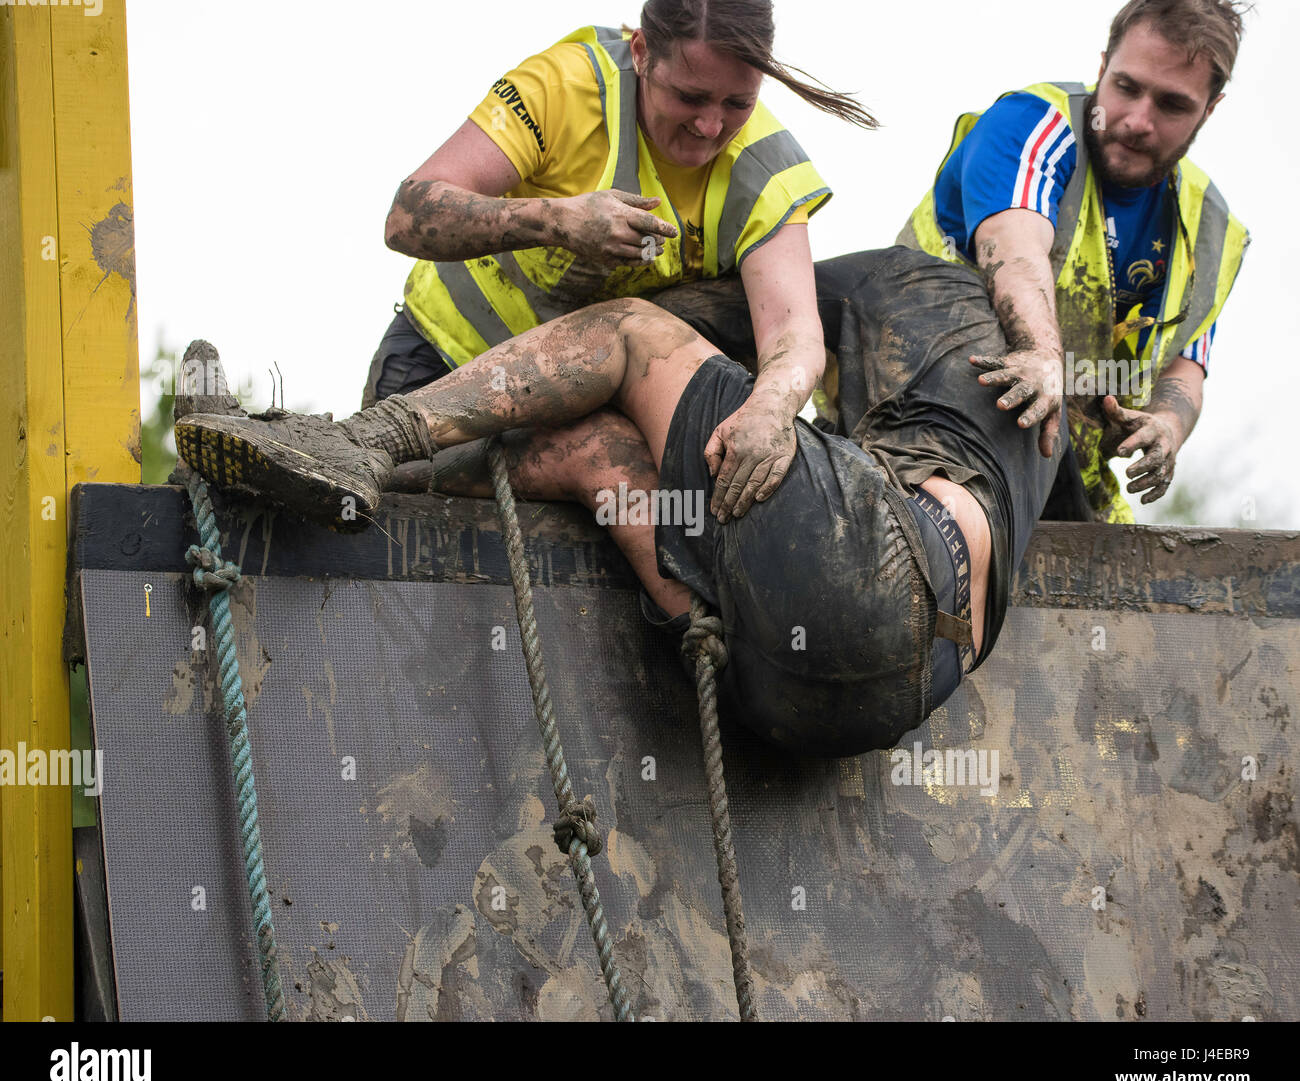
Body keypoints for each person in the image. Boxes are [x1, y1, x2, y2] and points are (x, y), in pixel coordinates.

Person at [176, 244, 1061, 758]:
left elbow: (672, 318)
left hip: (878, 571)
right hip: (846, 707)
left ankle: (365, 439)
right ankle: (313, 465)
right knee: (592, 457)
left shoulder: (920, 284)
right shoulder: (1035, 421)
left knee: (629, 336)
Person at [367, 0, 877, 496]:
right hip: (437, 368)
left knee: (634, 493)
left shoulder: (767, 173)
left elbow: (793, 329)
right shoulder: (564, 88)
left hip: (577, 411)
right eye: (690, 97)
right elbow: (407, 215)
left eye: (738, 103)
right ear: (641, 53)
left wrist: (773, 404)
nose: (710, 126)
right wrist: (554, 220)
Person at [897, 0, 1250, 522]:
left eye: (1172, 105)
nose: (1137, 121)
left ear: (1210, 108)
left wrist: (1166, 427)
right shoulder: (1032, 124)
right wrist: (1040, 352)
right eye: (1126, 87)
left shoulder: (1210, 231)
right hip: (927, 425)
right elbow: (1014, 250)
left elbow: (1185, 362)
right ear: (1103, 66)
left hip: (1072, 479)